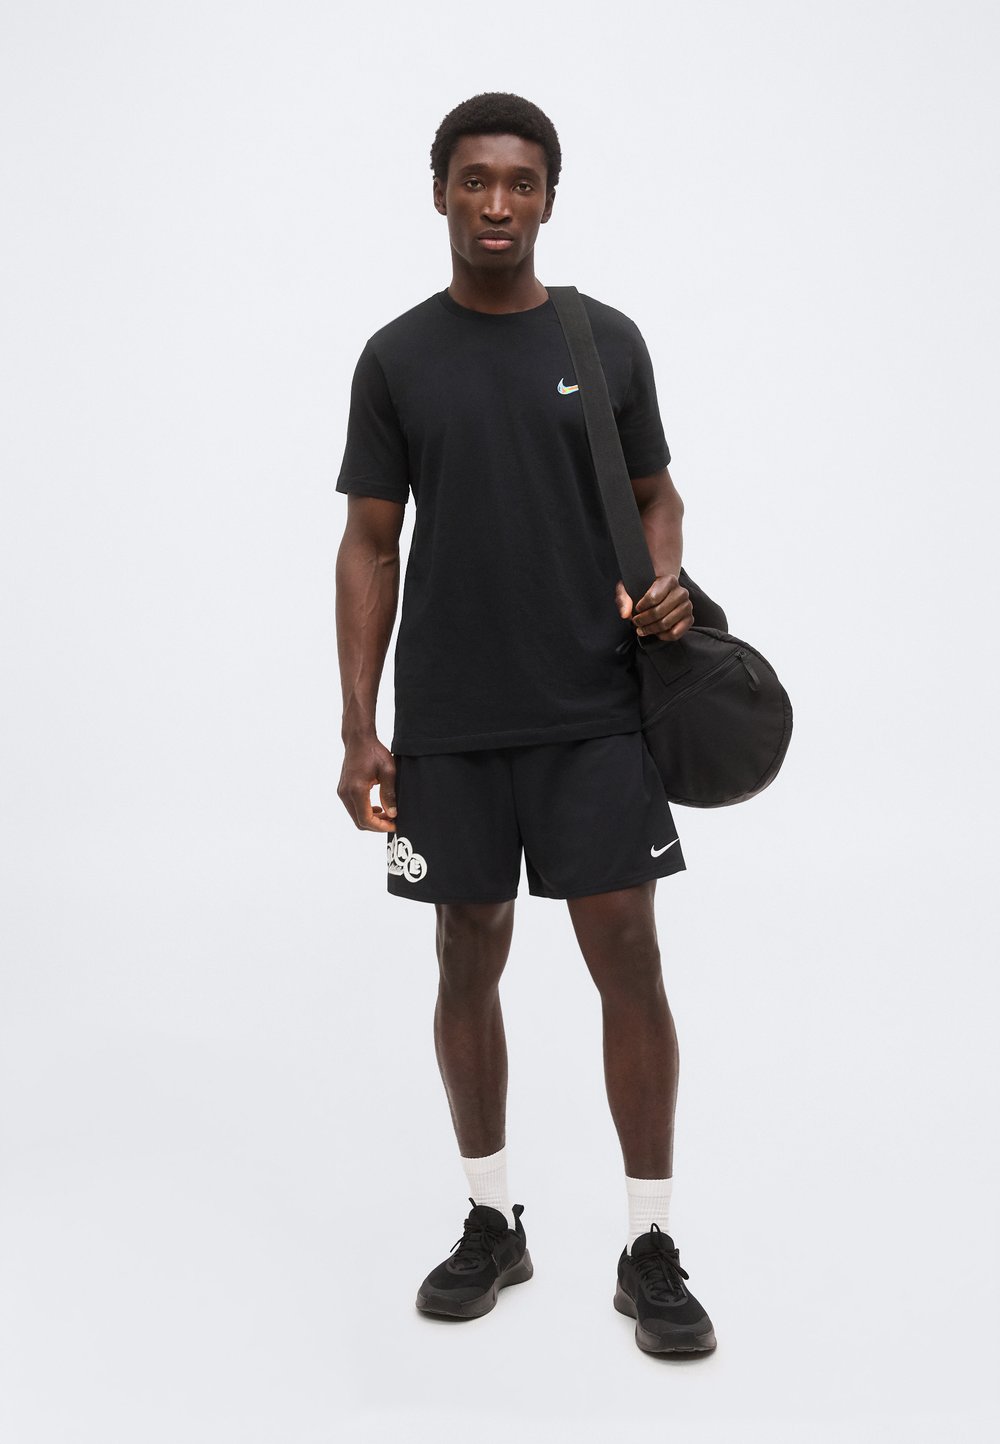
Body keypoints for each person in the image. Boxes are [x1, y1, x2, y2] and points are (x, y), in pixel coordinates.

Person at [334, 92, 716, 1356]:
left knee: (629, 953)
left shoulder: (602, 341)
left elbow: (658, 495)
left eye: (520, 182)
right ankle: (492, 1220)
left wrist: (661, 577)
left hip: (591, 707)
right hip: (449, 718)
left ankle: (649, 1245)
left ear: (550, 196)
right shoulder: (397, 356)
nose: (496, 203)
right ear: (439, 191)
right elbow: (370, 541)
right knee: (466, 951)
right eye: (474, 180)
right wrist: (359, 726)